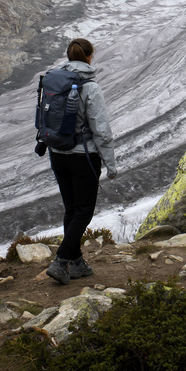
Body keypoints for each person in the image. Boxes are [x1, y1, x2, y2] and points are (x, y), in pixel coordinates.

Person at [45, 37, 117, 285]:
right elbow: (101, 130)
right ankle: (61, 260)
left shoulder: (54, 80)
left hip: (57, 155)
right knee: (84, 211)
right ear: (89, 57)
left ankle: (75, 263)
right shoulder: (90, 87)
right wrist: (111, 164)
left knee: (72, 210)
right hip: (83, 156)